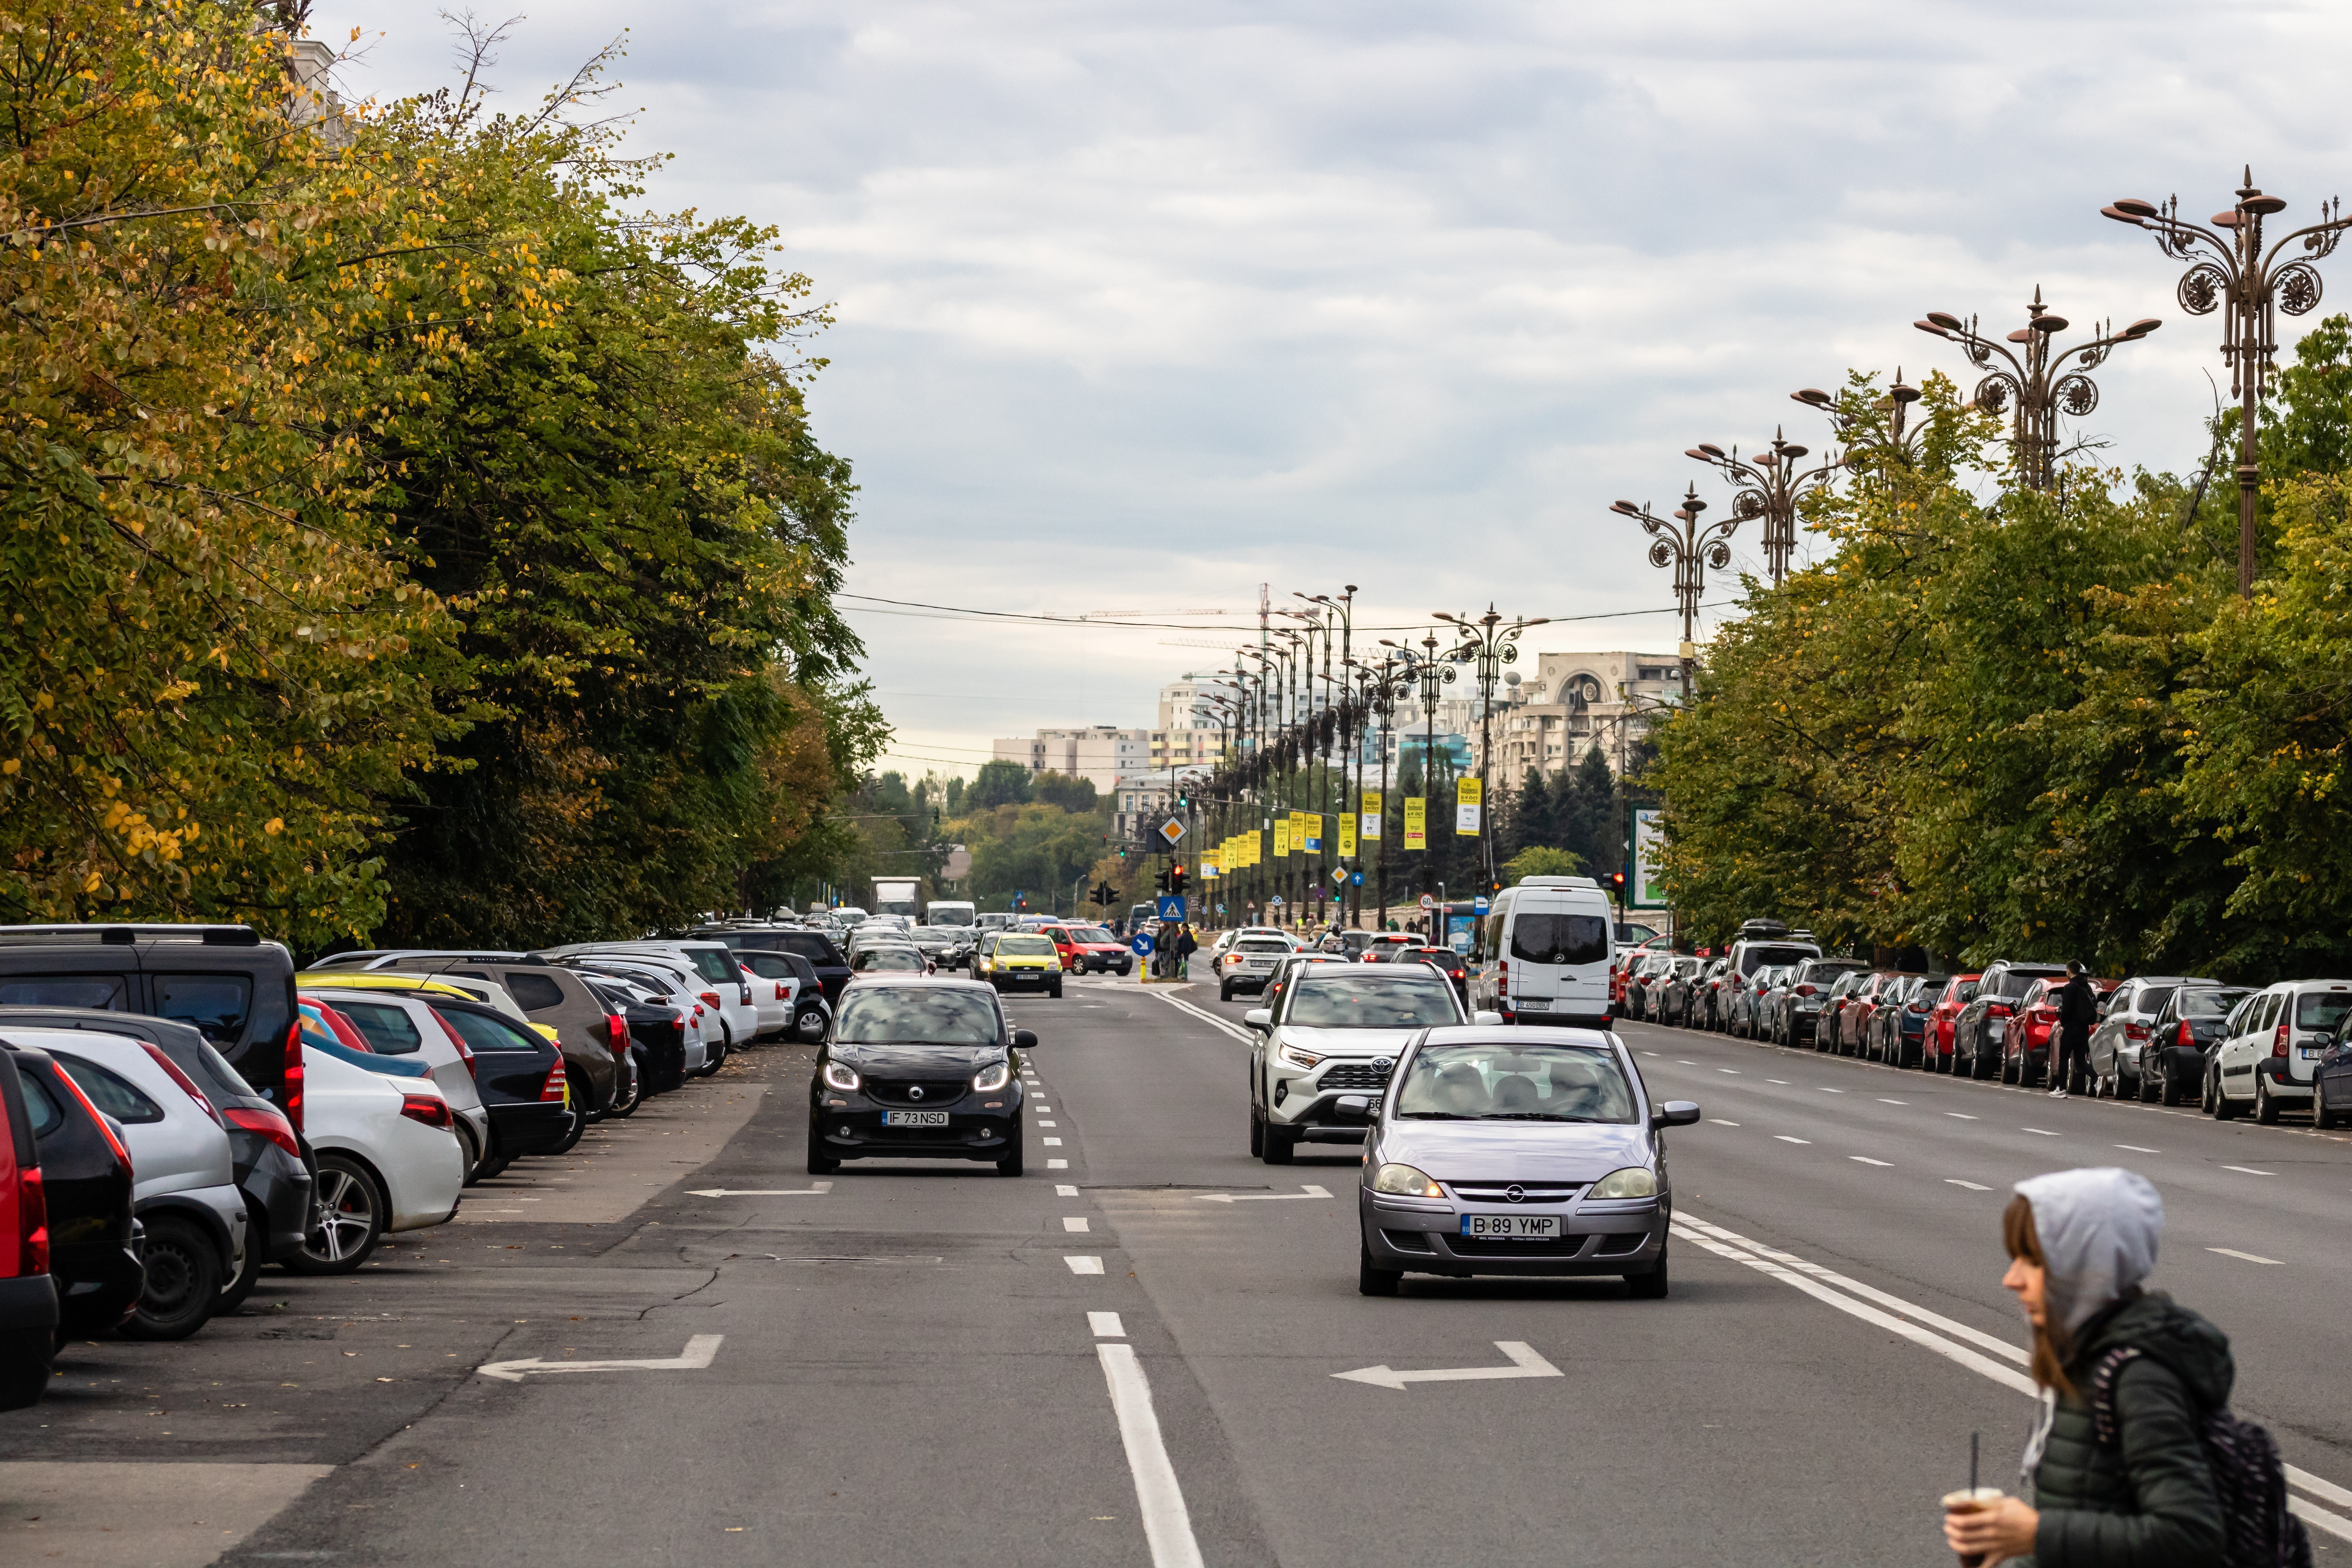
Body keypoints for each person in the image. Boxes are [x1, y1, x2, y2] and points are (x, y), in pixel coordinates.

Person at [1943, 1168, 2229, 1568]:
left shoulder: (2137, 1376)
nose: (2012, 1279)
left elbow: (2190, 1537)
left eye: (2033, 1260)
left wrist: (2035, 1534)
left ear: (2083, 1265)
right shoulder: (2083, 1358)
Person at [2051, 962, 2099, 1098]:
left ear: (2068, 971)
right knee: (2080, 1061)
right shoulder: (2087, 987)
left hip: (2071, 1028)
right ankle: (2097, 1079)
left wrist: (2063, 1022)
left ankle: (2061, 1089)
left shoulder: (2070, 988)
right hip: (2084, 1029)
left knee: (2064, 1057)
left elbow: (2066, 1010)